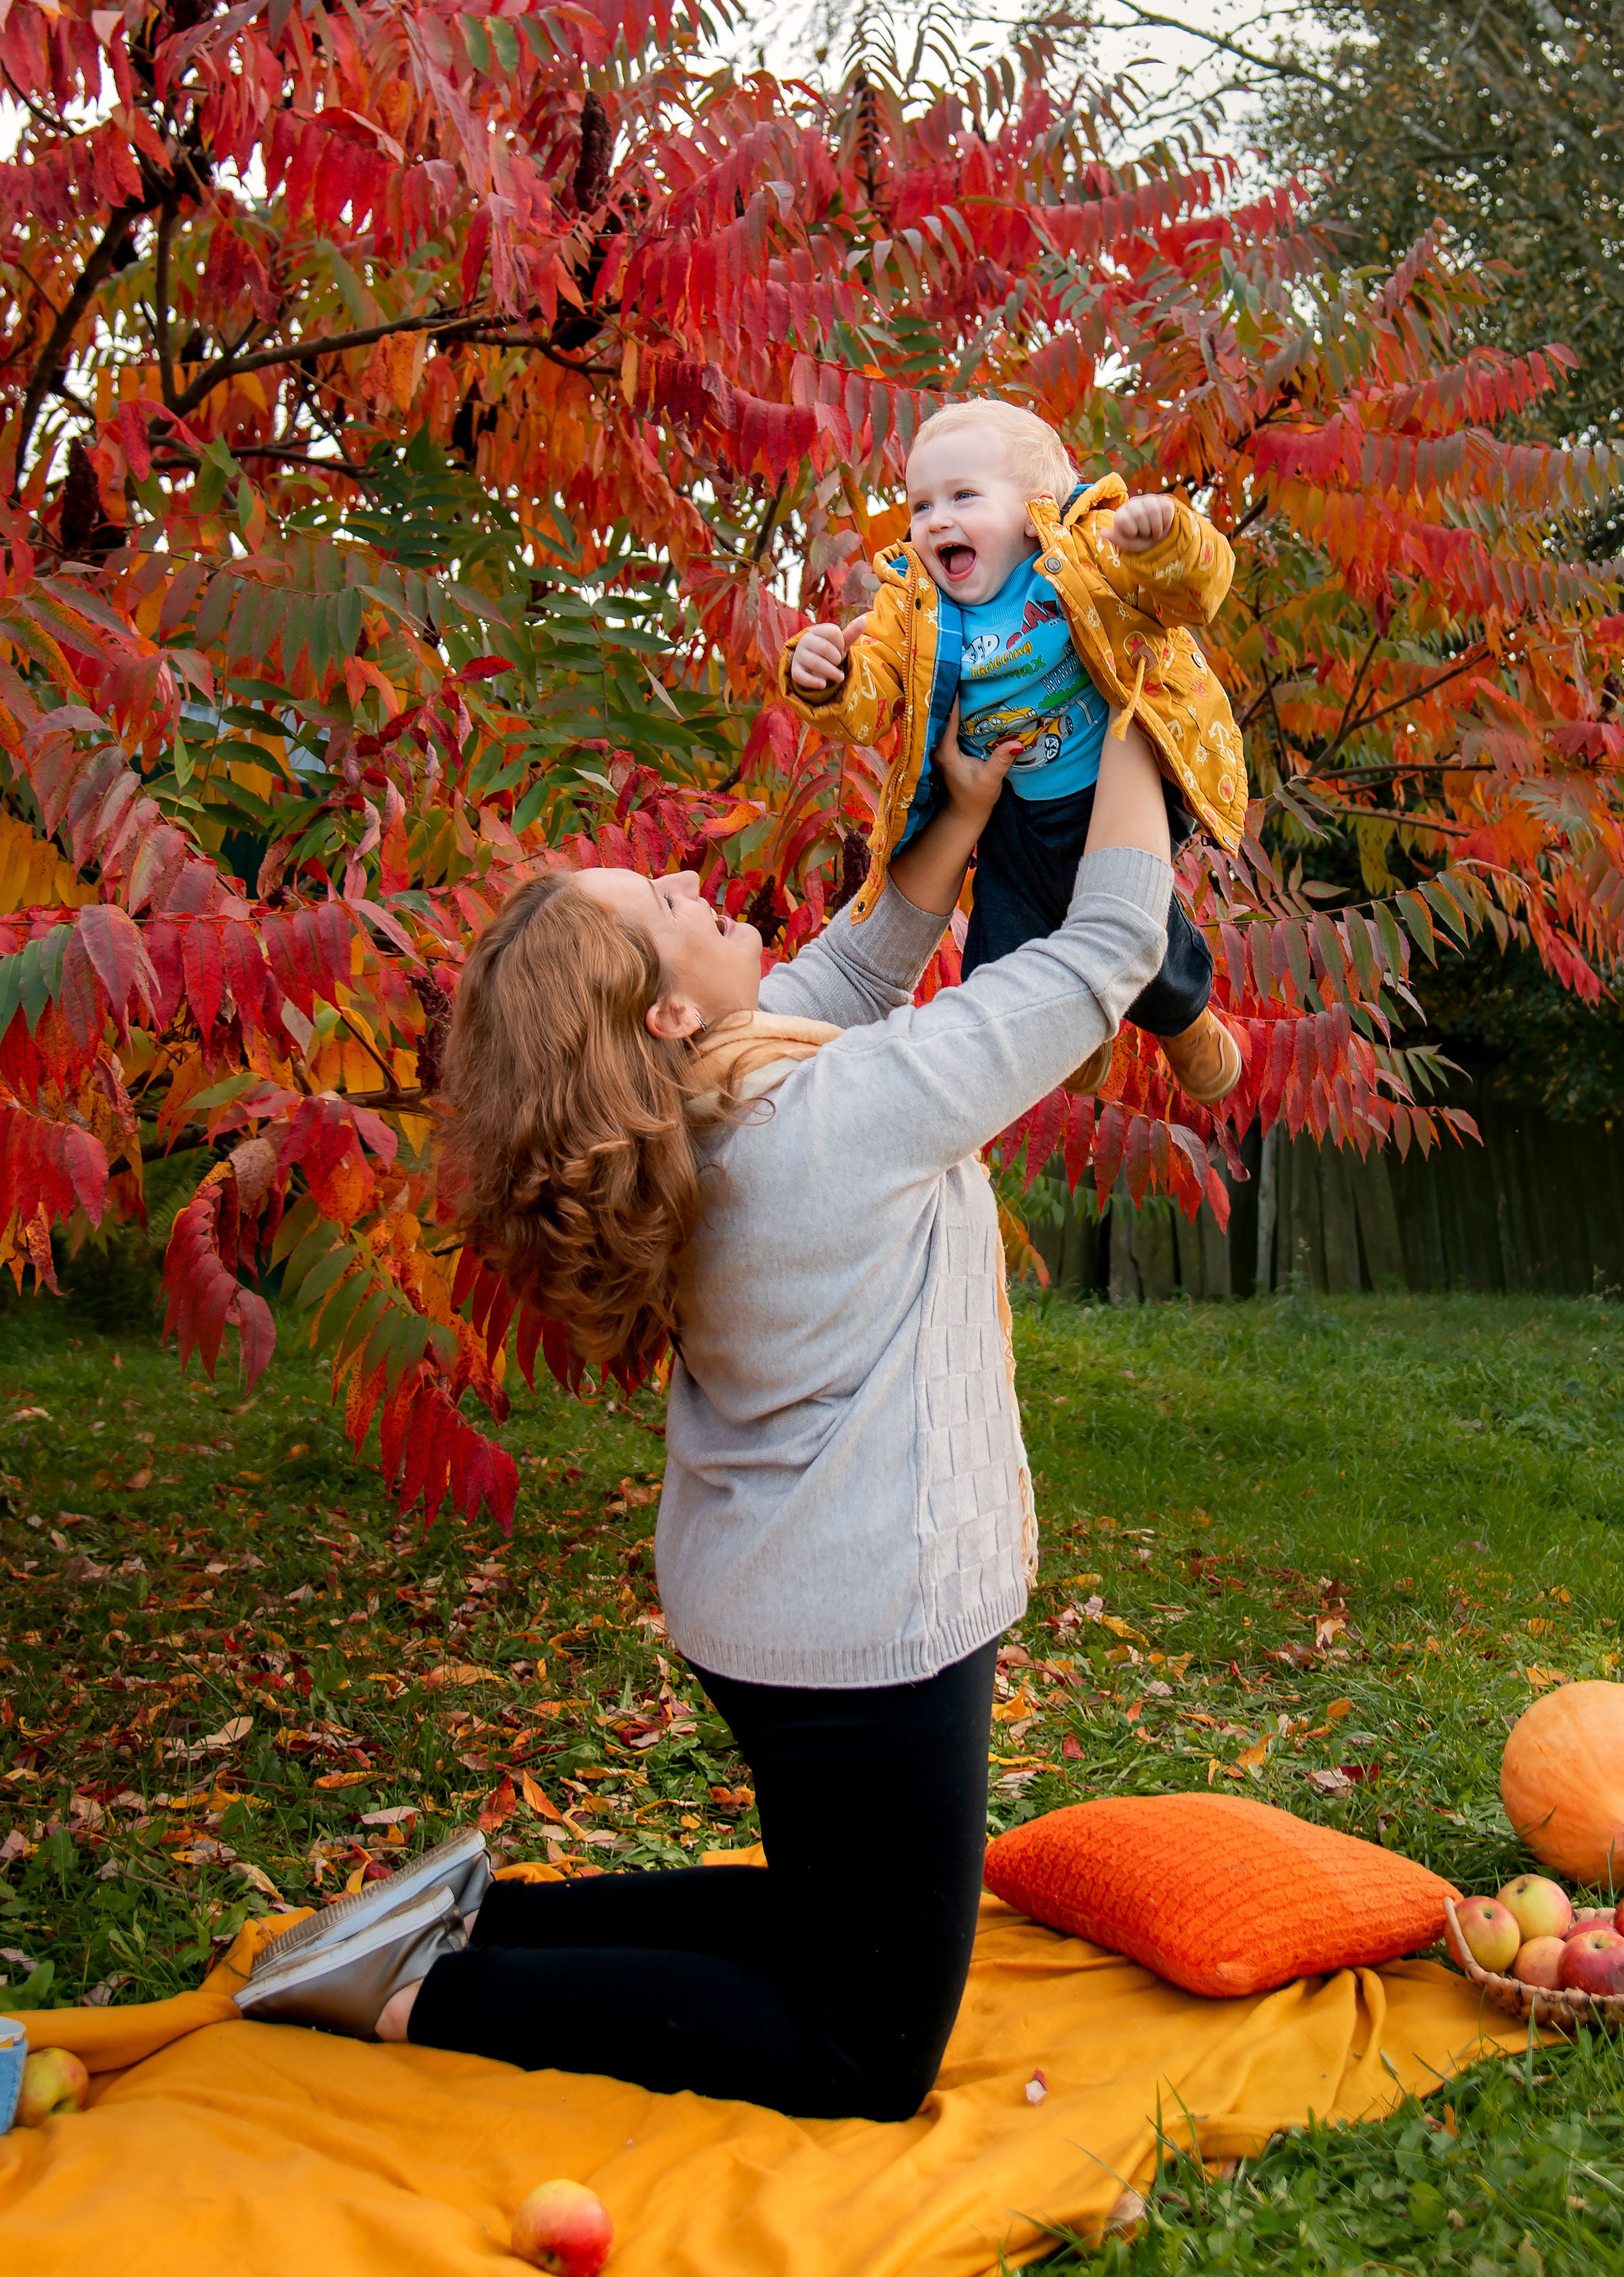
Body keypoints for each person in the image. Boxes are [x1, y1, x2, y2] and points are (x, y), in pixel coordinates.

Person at [235, 700, 1179, 2122]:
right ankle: (441, 1992)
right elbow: (1107, 950)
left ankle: (477, 1916)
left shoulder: (697, 1105)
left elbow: (858, 967)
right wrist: (1143, 730)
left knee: (825, 1911)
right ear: (665, 1011)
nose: (699, 888)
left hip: (777, 1593)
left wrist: (966, 808)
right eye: (670, 902)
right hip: (860, 1625)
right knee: (860, 2046)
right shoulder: (830, 1113)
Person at [780, 396, 1246, 1103]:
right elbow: (871, 695)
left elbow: (1191, 595)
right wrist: (826, 676)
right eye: (920, 505)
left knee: (1142, 934)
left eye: (963, 496)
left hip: (1109, 789)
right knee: (999, 954)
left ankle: (1186, 1022)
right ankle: (1064, 1042)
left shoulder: (1085, 556)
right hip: (1012, 818)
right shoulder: (911, 605)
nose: (936, 519)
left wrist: (1167, 544)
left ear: (1037, 509)